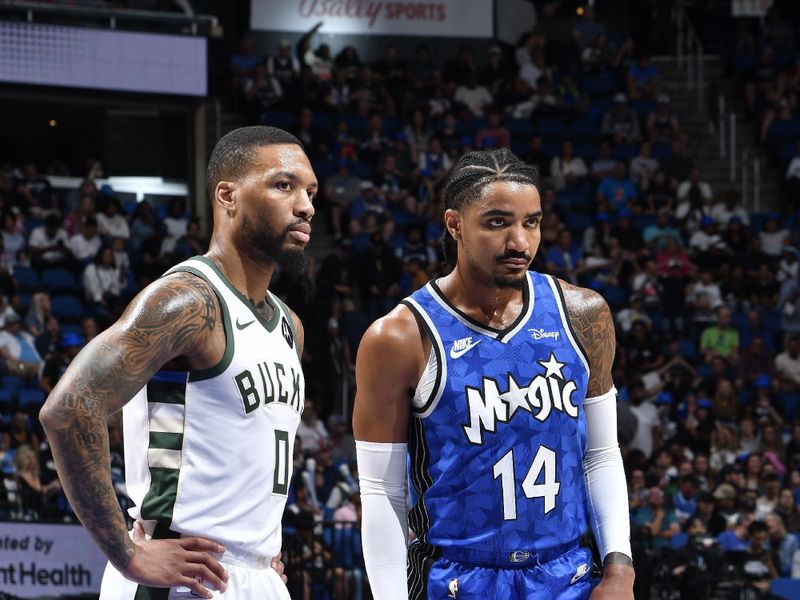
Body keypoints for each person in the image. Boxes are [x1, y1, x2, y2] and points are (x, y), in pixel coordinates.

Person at [39, 126, 317, 599]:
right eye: (284, 185)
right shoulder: (187, 300)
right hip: (182, 577)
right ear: (227, 195)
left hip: (257, 577)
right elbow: (69, 408)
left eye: (310, 192)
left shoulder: (291, 325)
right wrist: (128, 555)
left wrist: (259, 557)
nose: (306, 206)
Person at [353, 148, 634, 599]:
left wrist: (620, 568)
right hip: (458, 579)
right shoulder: (399, 337)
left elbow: (600, 454)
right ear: (455, 224)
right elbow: (382, 489)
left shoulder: (583, 315)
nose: (520, 242)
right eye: (498, 222)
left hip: (570, 575)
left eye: (532, 222)